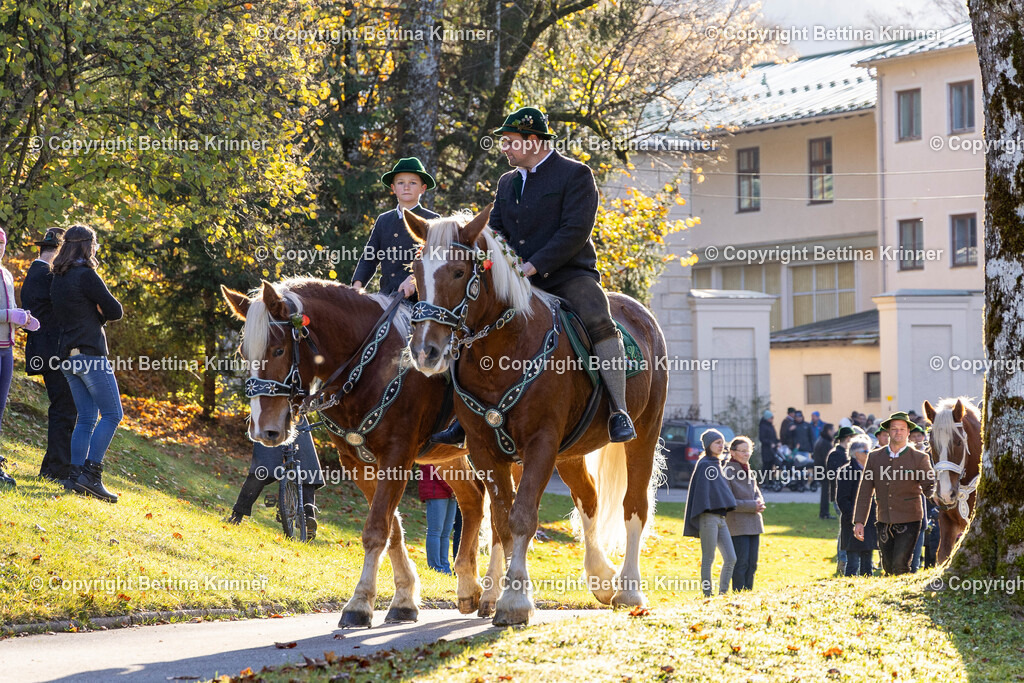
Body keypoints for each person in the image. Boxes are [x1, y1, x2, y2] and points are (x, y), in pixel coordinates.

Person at [433, 106, 634, 445]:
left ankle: (619, 410)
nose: (504, 148)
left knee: (598, 318)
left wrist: (533, 266)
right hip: (516, 278)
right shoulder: (507, 182)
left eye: (510, 141)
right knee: (466, 318)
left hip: (568, 275)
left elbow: (574, 230)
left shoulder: (576, 174)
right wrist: (494, 264)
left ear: (533, 141)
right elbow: (496, 232)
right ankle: (463, 417)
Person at [51, 224, 124, 503]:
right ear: (86, 245)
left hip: (67, 357)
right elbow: (115, 310)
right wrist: (99, 313)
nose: (96, 249)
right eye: (94, 244)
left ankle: (75, 477)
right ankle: (91, 476)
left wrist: (94, 312)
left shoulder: (58, 277)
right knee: (113, 414)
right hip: (90, 355)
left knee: (86, 418)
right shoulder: (87, 276)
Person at [21, 228, 77, 484]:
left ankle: (54, 467)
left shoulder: (36, 272)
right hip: (51, 352)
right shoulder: (46, 275)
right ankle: (57, 469)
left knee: (64, 407)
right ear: (58, 252)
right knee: (64, 408)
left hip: (46, 350)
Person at [854, 411, 936, 575]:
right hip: (884, 519)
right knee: (888, 566)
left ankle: (902, 589)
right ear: (888, 432)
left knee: (901, 564)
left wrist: (940, 499)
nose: (898, 432)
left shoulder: (919, 458)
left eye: (902, 429)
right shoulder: (875, 457)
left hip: (910, 519)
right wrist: (859, 521)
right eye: (894, 429)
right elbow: (865, 491)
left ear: (908, 432)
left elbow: (929, 487)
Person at [352, 157, 440, 298]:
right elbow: (369, 258)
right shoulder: (383, 220)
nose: (406, 187)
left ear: (423, 189)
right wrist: (356, 287)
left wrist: (413, 279)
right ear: (393, 188)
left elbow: (436, 260)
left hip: (419, 300)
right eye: (400, 183)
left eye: (412, 183)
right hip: (385, 297)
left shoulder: (433, 220)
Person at [227, 417, 324, 540]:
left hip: (290, 420)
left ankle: (309, 519)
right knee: (263, 470)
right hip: (271, 419)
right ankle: (238, 514)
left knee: (306, 470)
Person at [0, 227, 41, 488]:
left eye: (1, 244)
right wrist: (9, 316)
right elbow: (5, 312)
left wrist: (23, 319)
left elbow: (11, 308)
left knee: (0, 406)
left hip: (7, 349)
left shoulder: (6, 274)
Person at [683, 429, 737, 596]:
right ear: (708, 445)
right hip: (708, 518)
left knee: (731, 558)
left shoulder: (716, 464)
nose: (721, 446)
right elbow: (702, 493)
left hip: (721, 519)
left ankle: (722, 593)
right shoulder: (705, 465)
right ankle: (708, 594)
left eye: (722, 442)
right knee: (708, 558)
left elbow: (720, 491)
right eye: (717, 443)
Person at [723, 436, 765, 591]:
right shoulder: (727, 471)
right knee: (741, 563)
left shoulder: (748, 469)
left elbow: (756, 492)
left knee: (752, 563)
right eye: (742, 451)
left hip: (754, 523)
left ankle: (749, 593)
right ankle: (738, 592)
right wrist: (752, 505)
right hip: (737, 525)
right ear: (732, 452)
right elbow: (728, 502)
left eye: (748, 450)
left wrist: (759, 501)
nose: (746, 454)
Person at [836, 435, 876, 576]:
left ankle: (867, 587)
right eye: (866, 451)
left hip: (869, 521)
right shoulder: (846, 471)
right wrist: (855, 518)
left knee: (867, 563)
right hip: (852, 522)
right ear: (856, 453)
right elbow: (842, 499)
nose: (869, 454)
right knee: (852, 562)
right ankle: (850, 586)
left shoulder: (871, 470)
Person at [419, 463, 457, 574]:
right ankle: (435, 567)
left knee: (446, 533)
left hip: (450, 493)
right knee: (435, 531)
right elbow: (433, 470)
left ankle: (445, 567)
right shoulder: (429, 453)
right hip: (436, 492)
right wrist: (452, 488)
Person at [827, 426, 855, 569]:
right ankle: (843, 560)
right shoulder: (835, 454)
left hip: (850, 496)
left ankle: (846, 559)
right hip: (840, 496)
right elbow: (834, 476)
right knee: (845, 528)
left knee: (847, 527)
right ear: (848, 438)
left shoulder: (846, 453)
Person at [812, 423, 835, 519]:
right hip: (824, 471)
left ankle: (824, 512)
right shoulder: (825, 443)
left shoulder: (821, 440)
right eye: (833, 430)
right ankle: (824, 513)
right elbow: (827, 459)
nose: (834, 432)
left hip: (820, 469)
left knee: (825, 493)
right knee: (825, 494)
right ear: (829, 431)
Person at [922, 498, 940, 569]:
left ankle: (930, 565)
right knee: (929, 546)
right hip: (930, 520)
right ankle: (929, 565)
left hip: (934, 521)